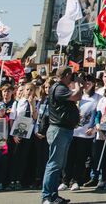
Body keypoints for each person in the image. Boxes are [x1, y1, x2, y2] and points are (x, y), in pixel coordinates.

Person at [38, 69, 79, 204]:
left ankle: (54, 195)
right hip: (59, 130)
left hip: (64, 130)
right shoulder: (59, 88)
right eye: (71, 75)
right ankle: (47, 196)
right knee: (54, 164)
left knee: (58, 165)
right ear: (67, 75)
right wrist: (78, 84)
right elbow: (76, 96)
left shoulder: (61, 88)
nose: (72, 78)